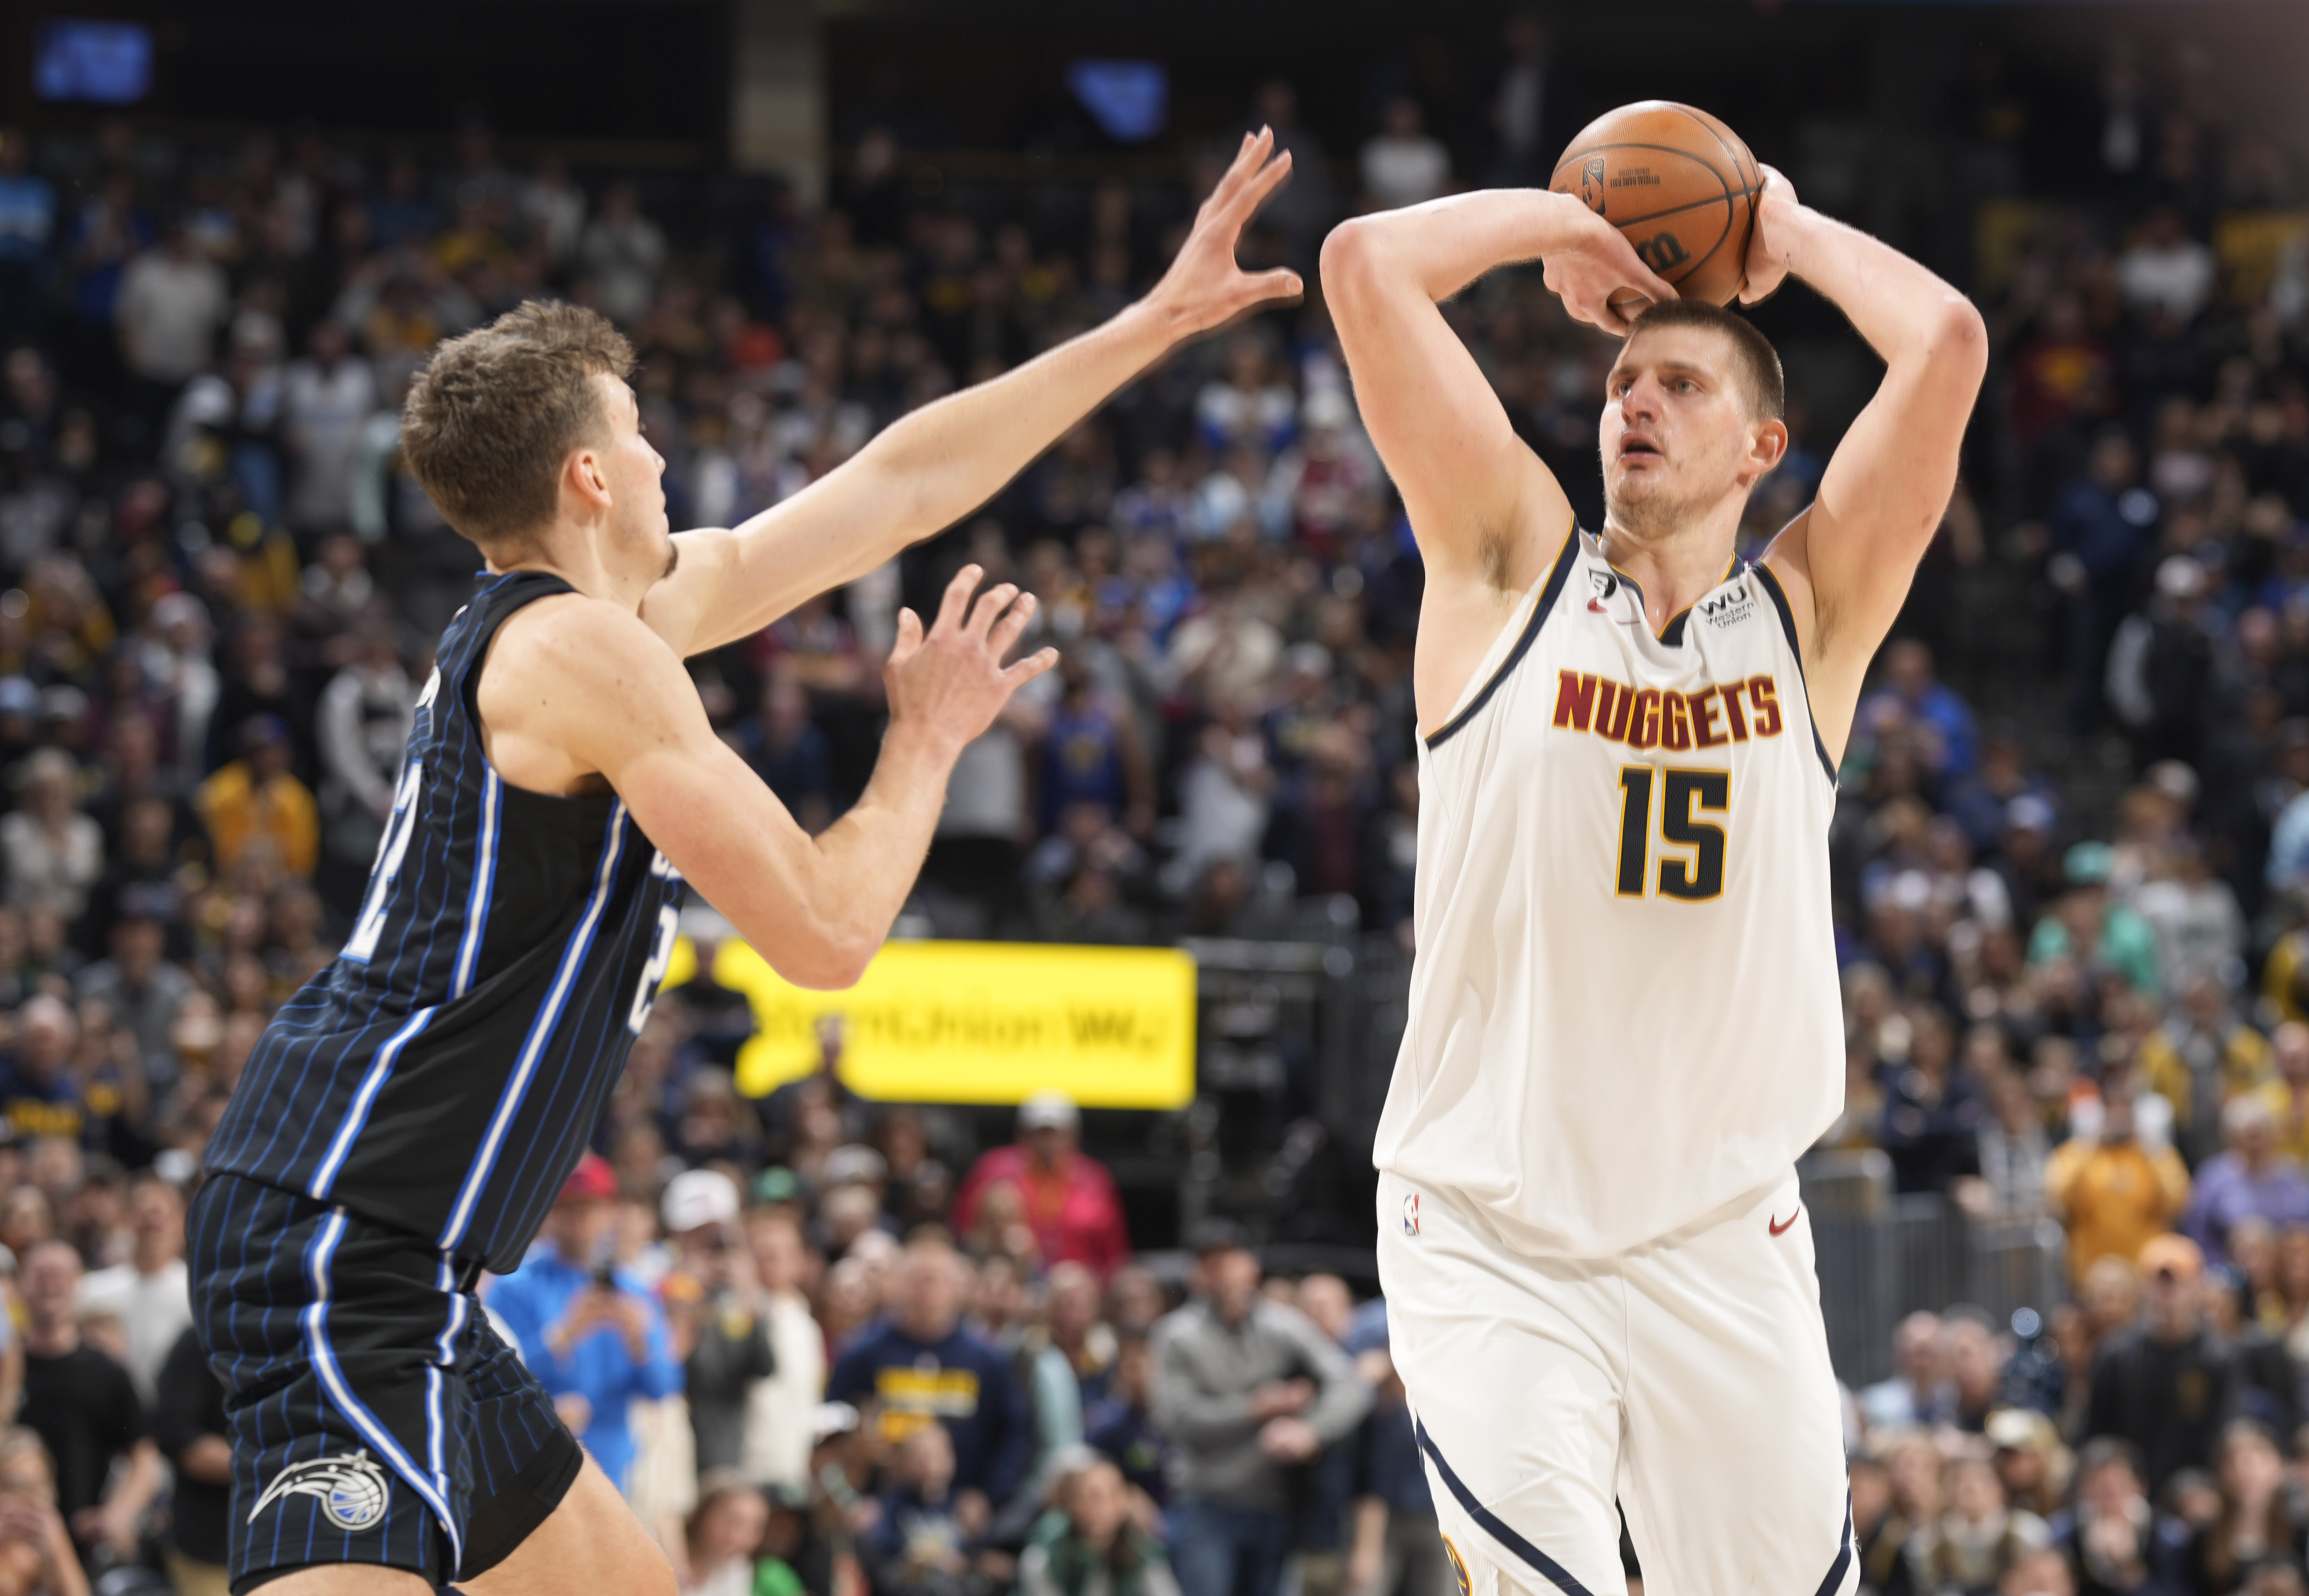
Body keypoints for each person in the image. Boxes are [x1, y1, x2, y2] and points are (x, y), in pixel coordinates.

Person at [186, 131, 1301, 1596]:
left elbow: (896, 486)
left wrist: (1145, 326)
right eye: (641, 433)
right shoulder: (583, 653)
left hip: (403, 1262)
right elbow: (828, 934)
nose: (664, 457)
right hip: (341, 1235)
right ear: (590, 476)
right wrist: (923, 744)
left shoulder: (604, 623)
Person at [1324, 113, 1985, 1594]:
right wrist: (1563, 228)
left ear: (1764, 446)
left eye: (1678, 383)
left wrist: (1780, 232)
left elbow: (1942, 343)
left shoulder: (1810, 616)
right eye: (1622, 380)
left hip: (1715, 1233)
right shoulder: (1507, 565)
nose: (1633, 401)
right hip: (1493, 1229)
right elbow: (1365, 266)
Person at [1151, 1227, 1371, 1596]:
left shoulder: (1283, 1325)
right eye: (1211, 1263)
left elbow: (1350, 1385)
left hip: (1273, 1504)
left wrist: (1310, 1430)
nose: (1223, 1272)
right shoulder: (1176, 1335)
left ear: (1251, 1266)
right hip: (1206, 1502)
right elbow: (1175, 1418)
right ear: (1197, 1274)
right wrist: (1253, 1408)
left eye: (1231, 1260)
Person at [487, 1155, 684, 1497]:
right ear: (551, 1212)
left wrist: (640, 1342)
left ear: (610, 1213)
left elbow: (663, 1388)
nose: (581, 1220)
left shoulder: (632, 1289)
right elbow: (492, 1381)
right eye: (570, 1208)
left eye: (591, 1208)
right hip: (534, 1464)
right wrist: (565, 1334)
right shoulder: (515, 1286)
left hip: (612, 1468)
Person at [829, 1237, 1032, 1528]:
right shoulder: (862, 1352)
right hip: (881, 1514)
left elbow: (1015, 1435)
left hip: (959, 1515)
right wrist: (851, 1499)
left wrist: (987, 1496)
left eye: (936, 1280)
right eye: (916, 1280)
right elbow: (830, 1433)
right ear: (897, 1285)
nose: (926, 1290)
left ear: (957, 1288)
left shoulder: (987, 1359)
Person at [16, 1239, 160, 1573]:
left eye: (61, 1275)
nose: (50, 1284)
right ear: (22, 1283)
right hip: (11, 1548)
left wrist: (118, 1516)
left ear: (78, 1285)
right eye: (40, 1274)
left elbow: (143, 1453)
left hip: (85, 1552)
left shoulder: (105, 1372)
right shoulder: (7, 1368)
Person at [2085, 1235, 2237, 1498]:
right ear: (2143, 1288)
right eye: (2159, 1283)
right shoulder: (2115, 1355)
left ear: (2199, 1287)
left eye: (2178, 1283)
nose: (2168, 1293)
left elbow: (2225, 1437)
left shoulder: (2220, 1357)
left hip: (2197, 1495)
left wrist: (2205, 1488)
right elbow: (2096, 1433)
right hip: (2128, 1493)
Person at [952, 1093, 1132, 1278]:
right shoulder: (994, 1171)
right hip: (1012, 1284)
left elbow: (1113, 1252)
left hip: (1075, 1290)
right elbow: (964, 1232)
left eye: (1055, 1133)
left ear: (1073, 1135)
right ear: (1022, 1134)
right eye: (1040, 1133)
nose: (1048, 1142)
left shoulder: (1095, 1180)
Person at [73, 1173, 189, 1406]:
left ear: (181, 1221)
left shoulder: (196, 1291)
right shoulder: (93, 1290)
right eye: (143, 1211)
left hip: (179, 1413)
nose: (152, 1219)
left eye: (162, 1213)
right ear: (127, 1219)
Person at [1020, 1455, 1180, 1596]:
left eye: (1113, 1494)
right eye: (1092, 1496)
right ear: (1072, 1502)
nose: (1103, 1507)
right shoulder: (1047, 1550)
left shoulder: (1140, 1550)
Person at [152, 1324, 233, 1596]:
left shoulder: (306, 1332)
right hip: (211, 1546)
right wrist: (273, 1466)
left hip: (293, 1541)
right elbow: (182, 1441)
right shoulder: (202, 1339)